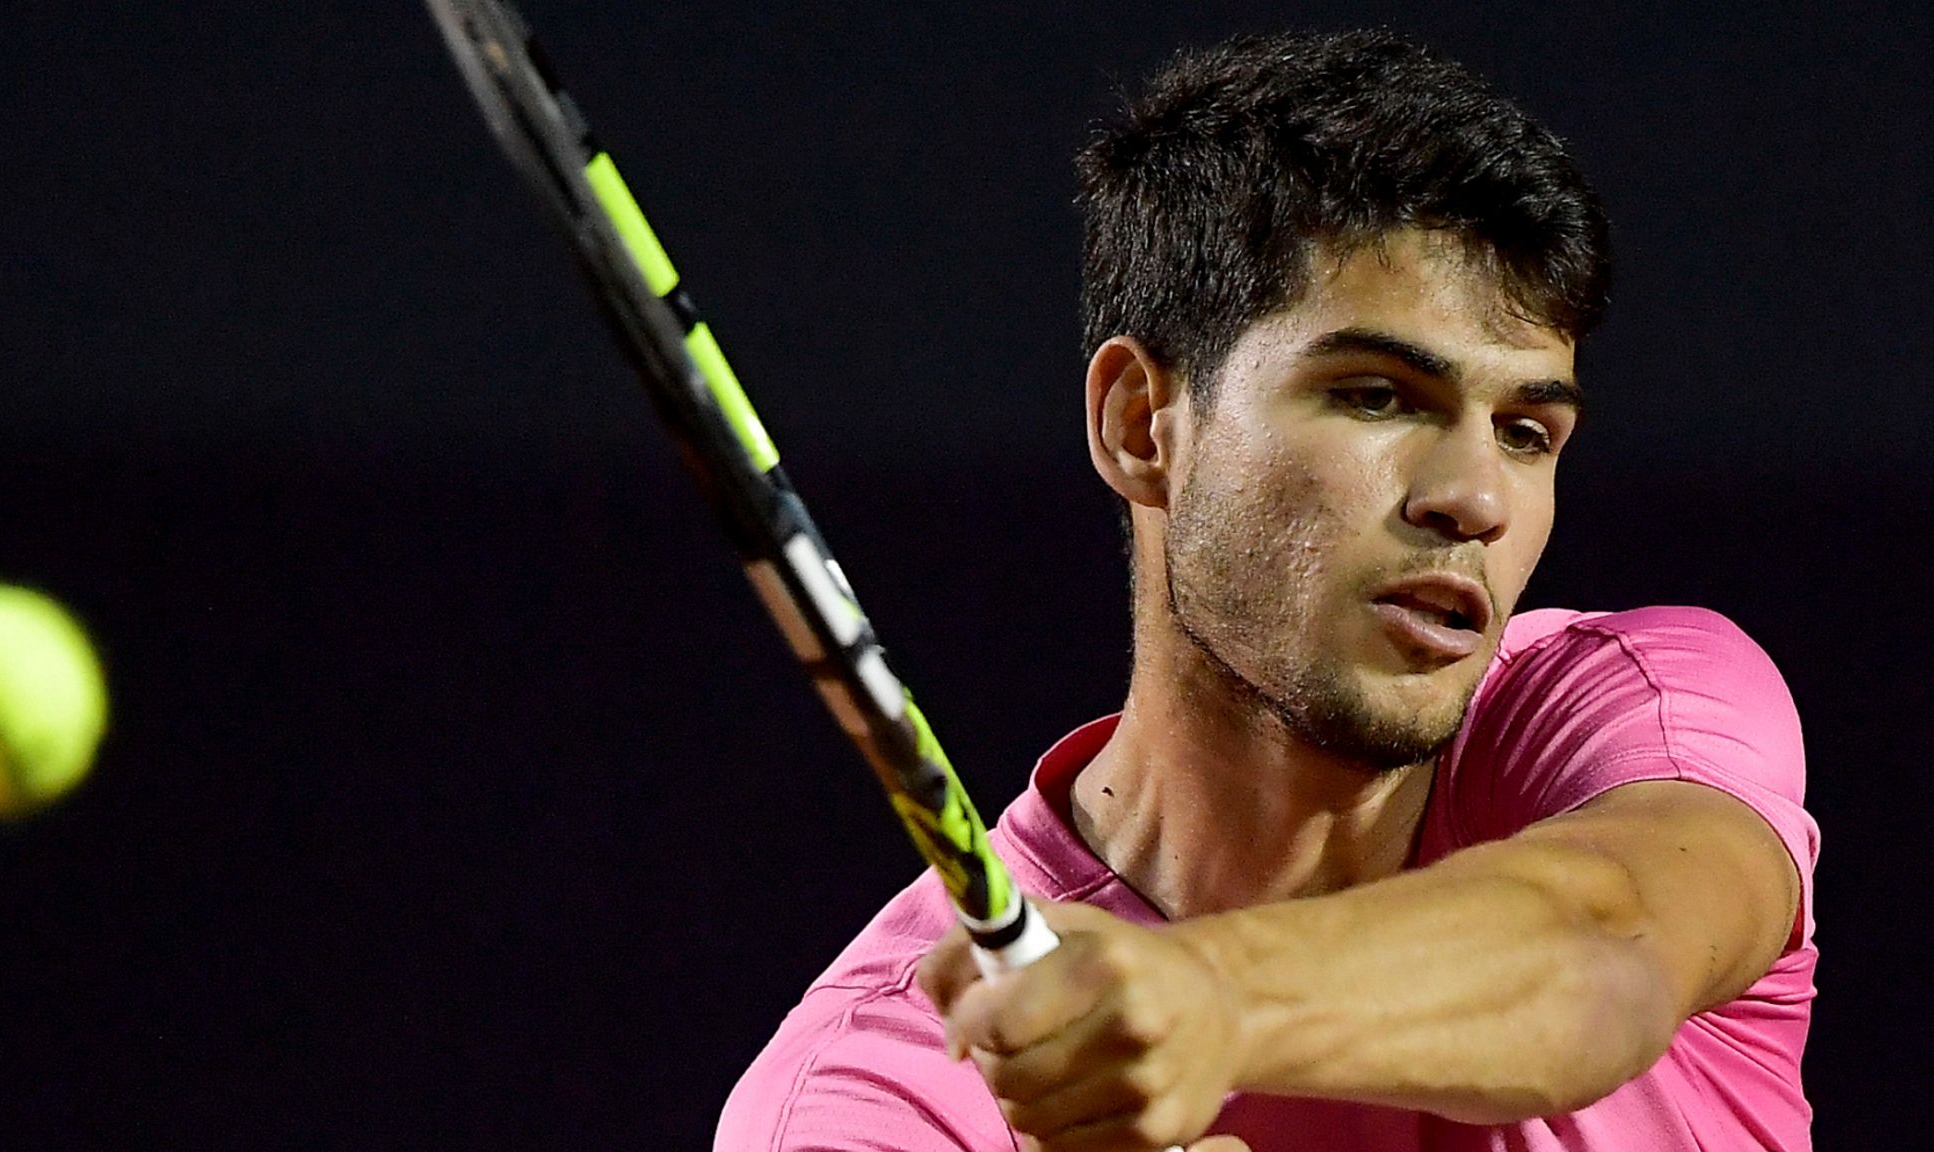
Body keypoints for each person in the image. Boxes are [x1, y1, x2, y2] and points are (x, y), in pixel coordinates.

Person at [715, 28, 1815, 1152]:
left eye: (1526, 431)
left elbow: (1603, 955)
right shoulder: (873, 1098)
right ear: (1142, 424)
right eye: (1377, 396)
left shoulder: (1628, 711)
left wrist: (1215, 1003)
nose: (1473, 498)